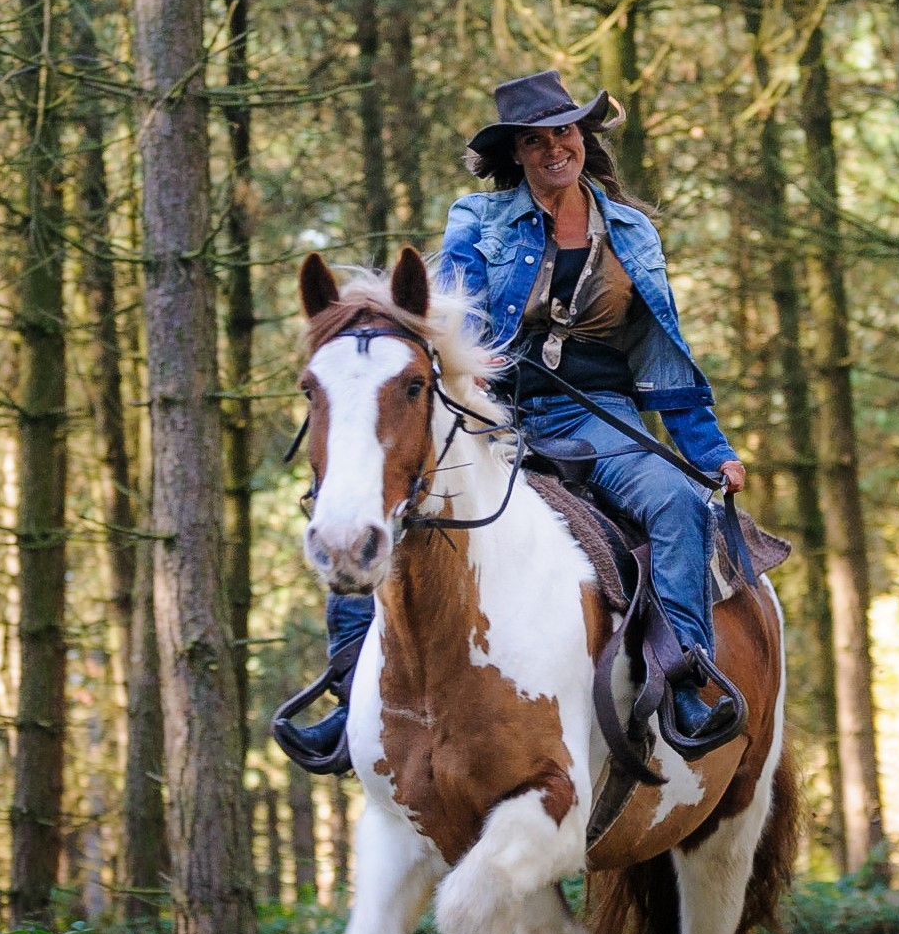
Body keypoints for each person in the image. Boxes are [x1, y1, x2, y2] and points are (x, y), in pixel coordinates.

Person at [284, 70, 747, 766]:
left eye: (563, 131)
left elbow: (661, 344)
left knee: (681, 505)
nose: (554, 147)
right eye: (535, 140)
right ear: (517, 155)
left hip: (602, 418)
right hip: (497, 411)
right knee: (379, 505)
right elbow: (460, 310)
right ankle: (351, 695)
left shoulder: (632, 232)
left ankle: (684, 680)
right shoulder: (476, 218)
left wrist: (707, 449)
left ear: (582, 137)